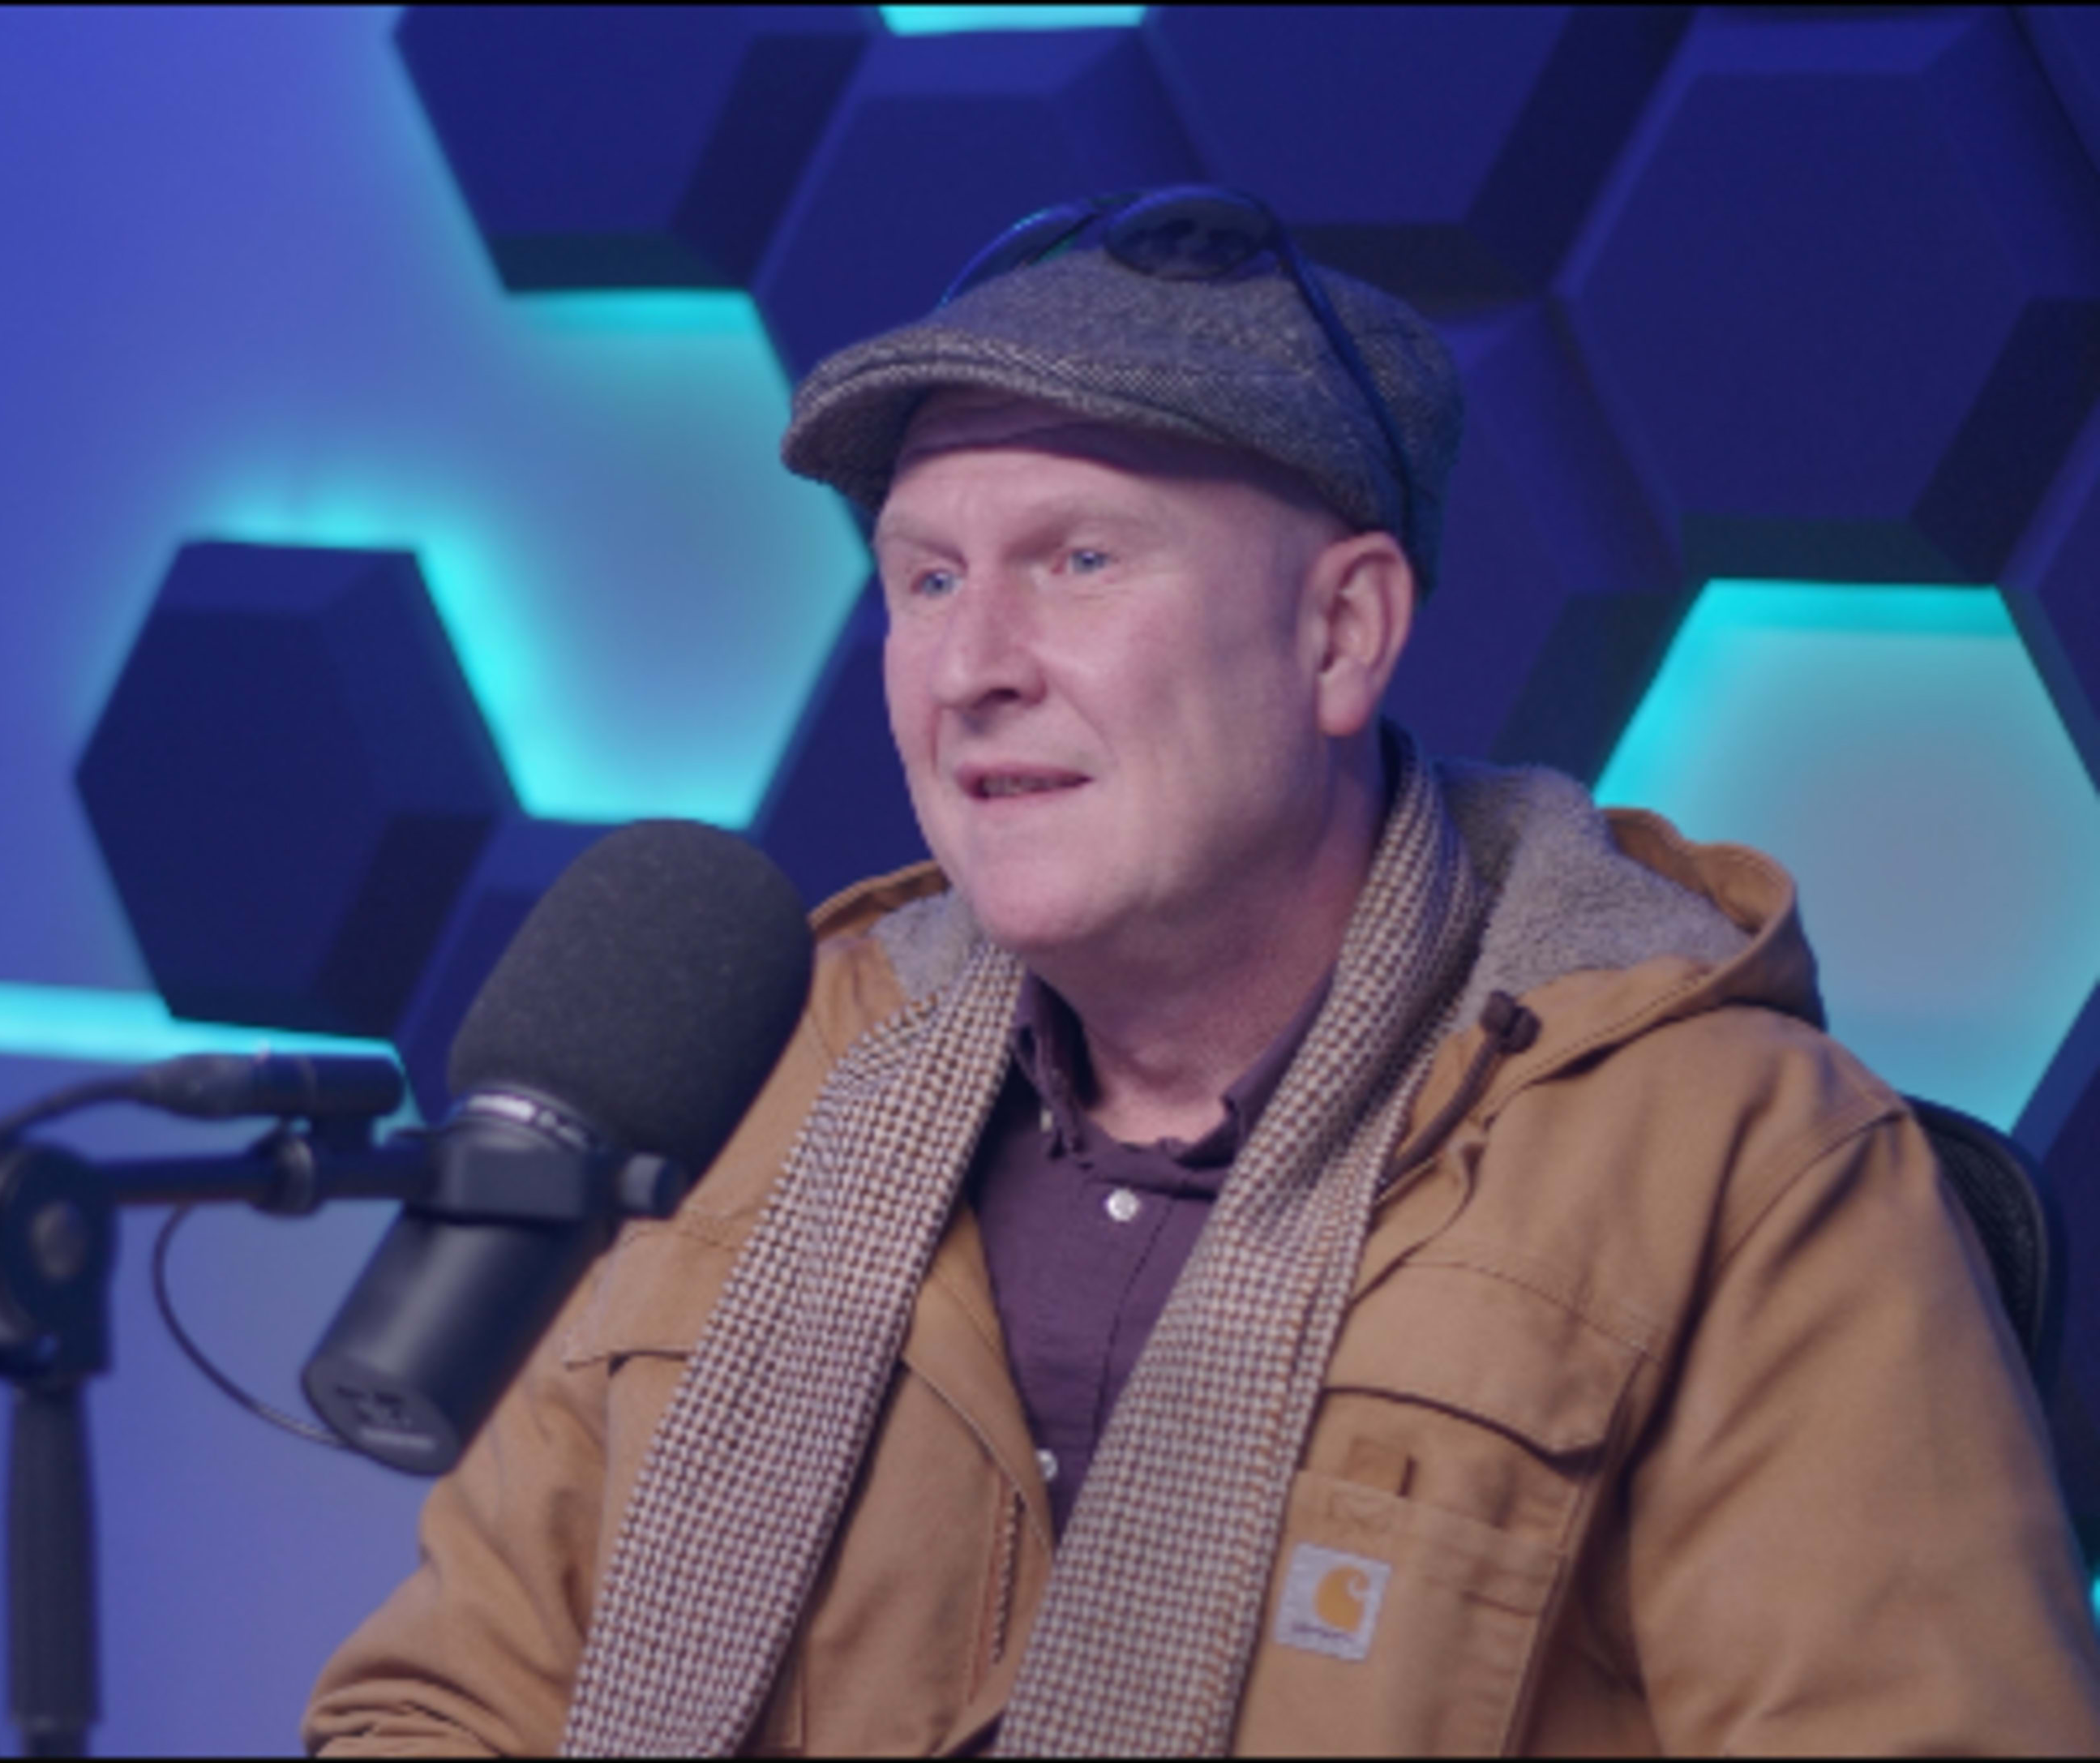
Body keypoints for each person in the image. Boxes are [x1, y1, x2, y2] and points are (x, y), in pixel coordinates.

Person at [302, 187, 2100, 1755]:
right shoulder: (765, 1073)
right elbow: (442, 1704)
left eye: (1077, 562)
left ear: (1341, 633)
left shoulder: (1732, 1158)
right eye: (924, 581)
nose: (969, 666)